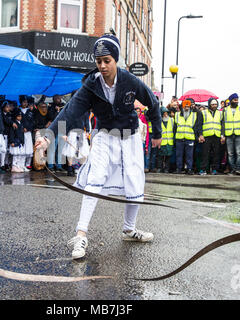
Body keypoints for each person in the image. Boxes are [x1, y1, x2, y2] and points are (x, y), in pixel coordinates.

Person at [35, 34, 162, 260]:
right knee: (95, 178)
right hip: (104, 135)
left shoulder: (131, 81)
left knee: (134, 182)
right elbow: (71, 111)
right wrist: (47, 137)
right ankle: (81, 234)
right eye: (98, 61)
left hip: (130, 135)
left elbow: (152, 103)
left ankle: (129, 229)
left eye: (107, 61)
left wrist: (157, 133)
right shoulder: (91, 85)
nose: (102, 66)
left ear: (116, 59)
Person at [174, 99, 202, 174]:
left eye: (188, 105)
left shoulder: (194, 114)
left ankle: (189, 169)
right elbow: (175, 127)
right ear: (182, 106)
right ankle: (179, 168)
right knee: (179, 155)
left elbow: (197, 126)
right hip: (179, 138)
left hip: (189, 138)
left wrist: (198, 136)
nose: (186, 107)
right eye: (185, 105)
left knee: (189, 155)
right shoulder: (177, 115)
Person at [199, 98, 224, 175]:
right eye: (212, 104)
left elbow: (223, 125)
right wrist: (200, 135)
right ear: (209, 104)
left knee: (216, 154)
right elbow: (199, 124)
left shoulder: (220, 113)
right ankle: (203, 169)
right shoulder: (203, 112)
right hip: (207, 135)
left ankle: (214, 169)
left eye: (215, 104)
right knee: (205, 153)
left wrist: (222, 135)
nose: (214, 106)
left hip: (217, 135)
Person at [156, 107, 174, 173]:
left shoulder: (172, 120)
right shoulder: (159, 121)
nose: (165, 115)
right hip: (162, 142)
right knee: (160, 156)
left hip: (169, 142)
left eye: (166, 113)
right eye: (164, 114)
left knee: (168, 156)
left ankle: (166, 169)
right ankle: (159, 168)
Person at [9, 108, 27, 172]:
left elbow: (22, 134)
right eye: (18, 116)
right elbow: (11, 133)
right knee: (15, 155)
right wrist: (12, 141)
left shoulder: (21, 124)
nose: (20, 117)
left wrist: (23, 141)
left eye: (20, 116)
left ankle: (18, 165)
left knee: (19, 154)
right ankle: (14, 166)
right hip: (15, 141)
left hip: (20, 142)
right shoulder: (14, 124)